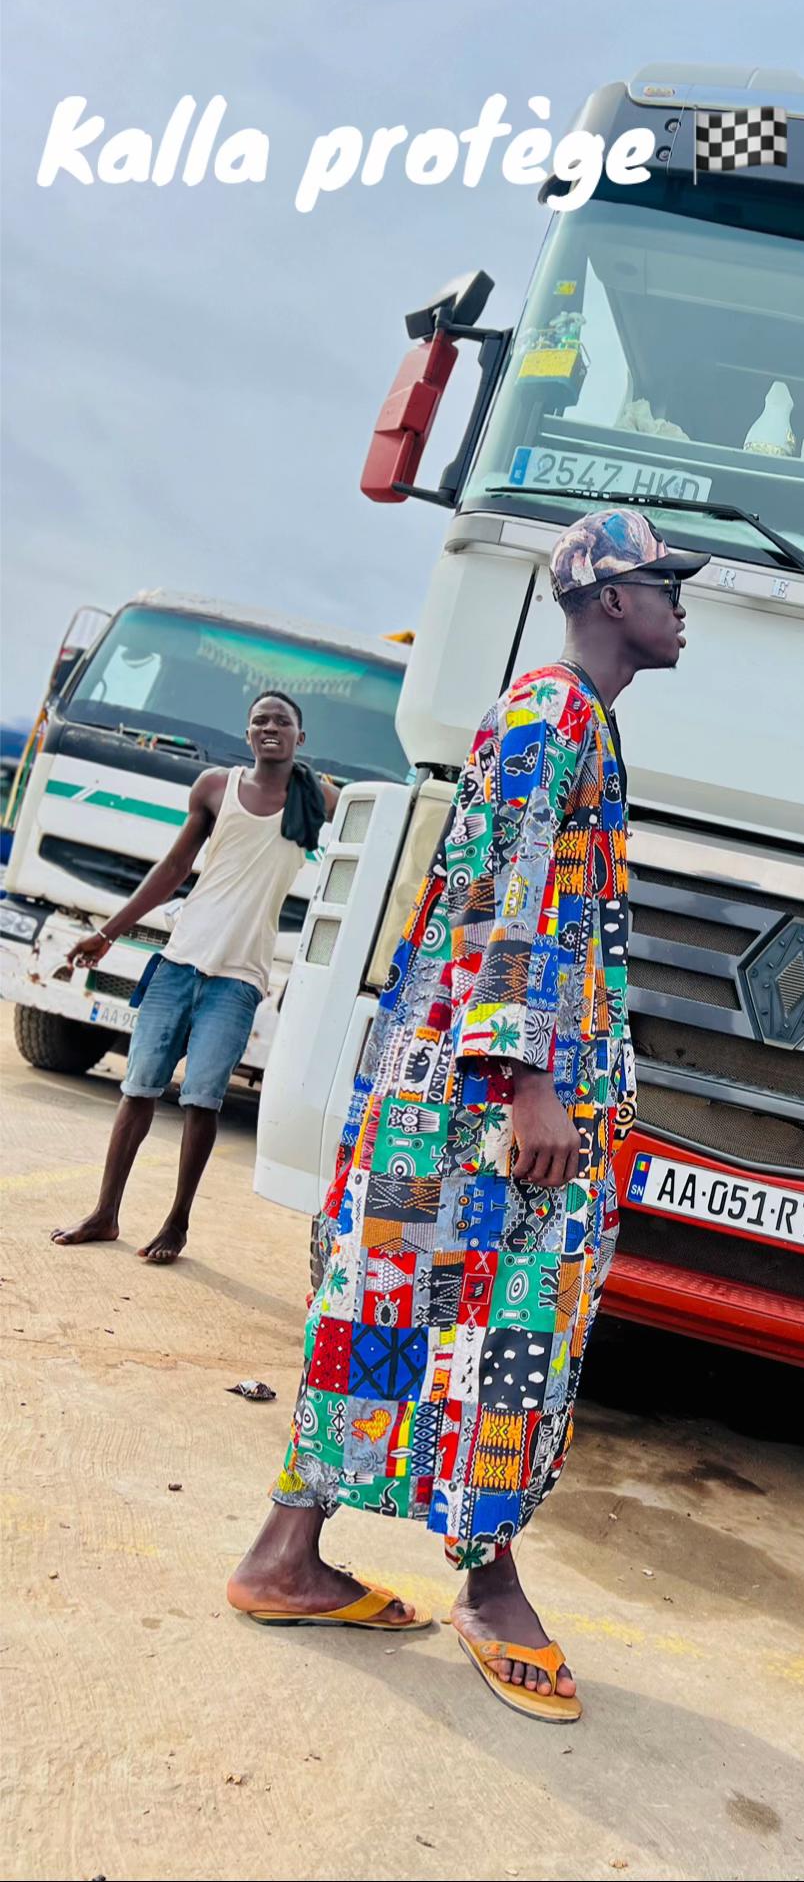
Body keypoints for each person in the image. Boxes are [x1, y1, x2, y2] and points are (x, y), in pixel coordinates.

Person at [227, 508, 705, 1724]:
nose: (681, 606)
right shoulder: (553, 714)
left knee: (395, 1309)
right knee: (508, 1320)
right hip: (487, 1099)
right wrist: (528, 1078)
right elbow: (504, 889)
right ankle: (488, 1587)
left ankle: (289, 1554)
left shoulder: (568, 715)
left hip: (456, 1087)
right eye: (665, 585)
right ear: (610, 599)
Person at [51, 692, 335, 1264]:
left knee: (202, 1101)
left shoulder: (318, 797)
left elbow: (382, 821)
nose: (270, 727)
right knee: (137, 1090)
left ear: (300, 737)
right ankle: (105, 1213)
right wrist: (107, 933)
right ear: (247, 733)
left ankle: (177, 1222)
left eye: (282, 721)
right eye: (259, 720)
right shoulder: (214, 787)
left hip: (239, 978)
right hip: (179, 963)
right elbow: (174, 868)